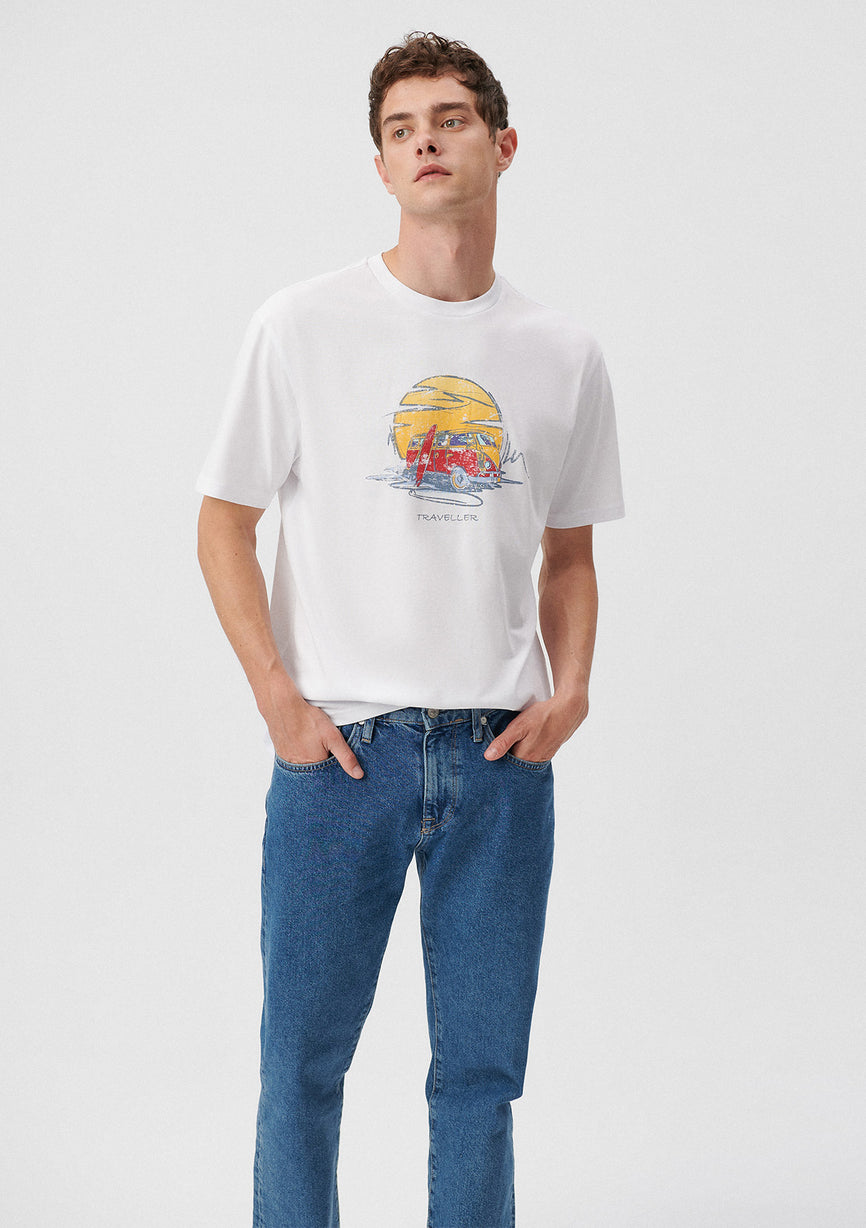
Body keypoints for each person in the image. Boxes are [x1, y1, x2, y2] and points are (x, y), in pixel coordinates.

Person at [196, 30, 624, 1228]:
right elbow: (222, 521)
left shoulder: (561, 353)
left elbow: (571, 554)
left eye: (448, 120)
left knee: (480, 1081)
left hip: (499, 756)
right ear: (380, 166)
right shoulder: (301, 325)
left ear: (503, 143)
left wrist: (571, 688)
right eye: (400, 129)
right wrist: (276, 695)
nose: (425, 142)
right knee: (300, 1071)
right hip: (341, 752)